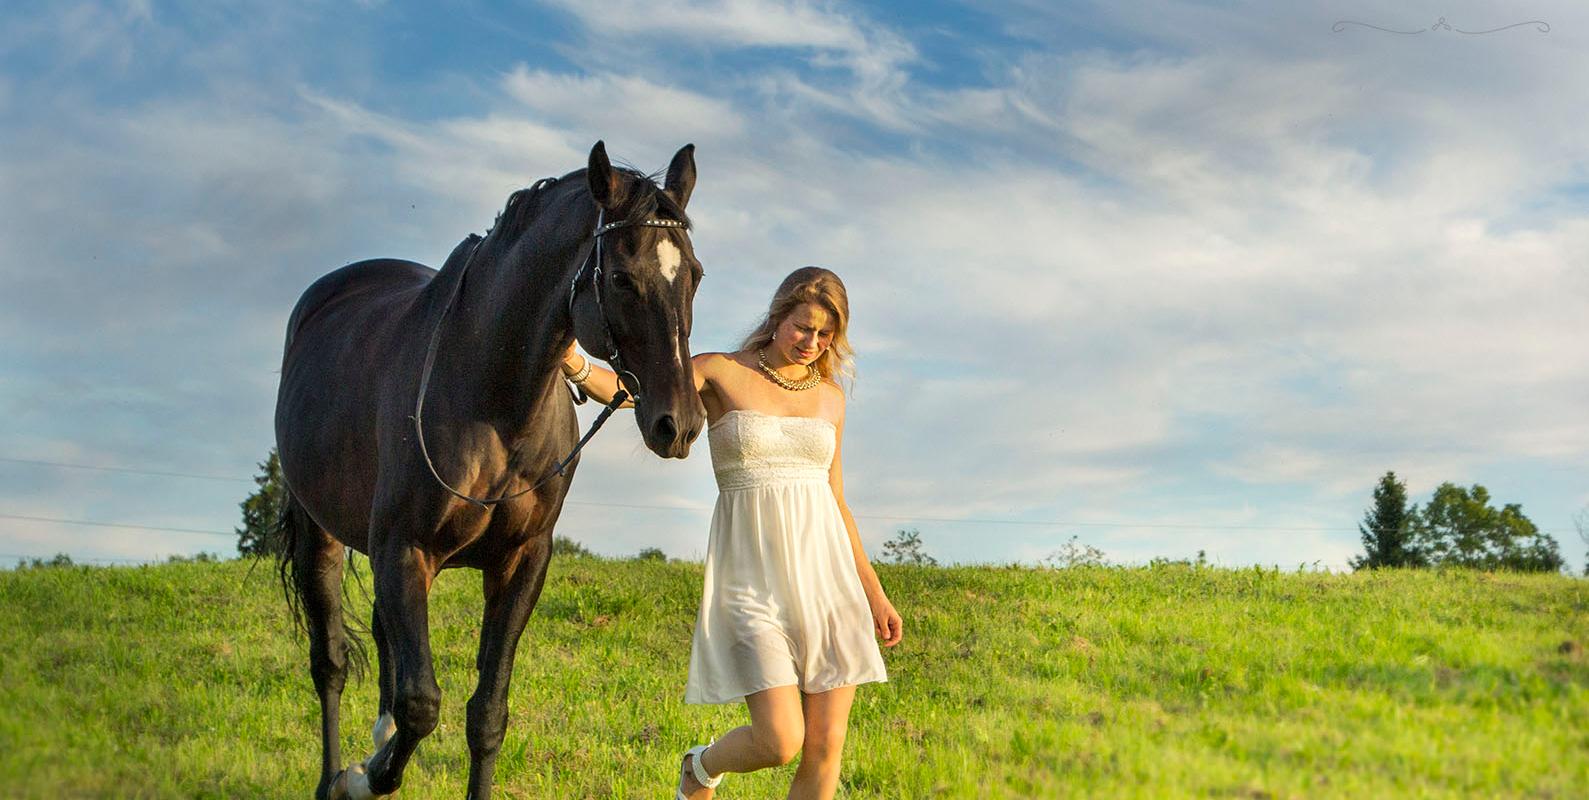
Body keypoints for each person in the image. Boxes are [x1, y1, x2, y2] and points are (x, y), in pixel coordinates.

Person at [561, 266, 903, 800]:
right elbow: (636, 392)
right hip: (751, 585)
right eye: (803, 327)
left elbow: (836, 500)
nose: (812, 342)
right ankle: (700, 768)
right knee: (780, 740)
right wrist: (576, 364)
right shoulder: (720, 372)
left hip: (829, 584)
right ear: (777, 316)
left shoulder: (831, 397)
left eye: (825, 334)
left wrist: (874, 593)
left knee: (824, 747)